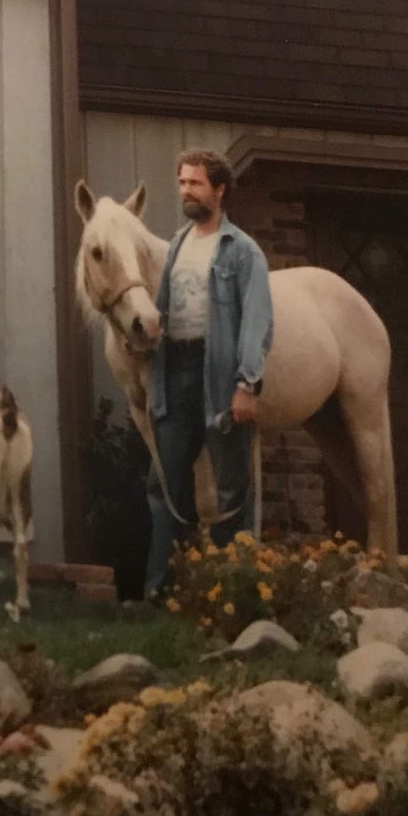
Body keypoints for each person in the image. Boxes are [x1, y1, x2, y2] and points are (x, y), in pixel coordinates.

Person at [144, 149, 274, 598]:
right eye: (182, 183)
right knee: (165, 484)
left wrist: (246, 383)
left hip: (219, 374)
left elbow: (258, 321)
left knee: (232, 490)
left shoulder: (243, 251)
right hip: (174, 370)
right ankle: (164, 593)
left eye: (195, 183)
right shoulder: (178, 245)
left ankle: (233, 592)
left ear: (219, 190)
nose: (186, 191)